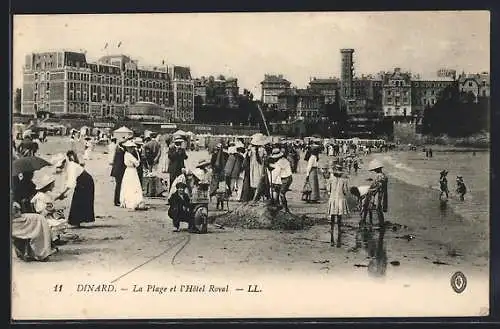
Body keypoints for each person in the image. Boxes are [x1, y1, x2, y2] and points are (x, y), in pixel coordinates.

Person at [52, 151, 95, 228]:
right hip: (81, 181)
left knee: (79, 200)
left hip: (86, 181)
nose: (60, 168)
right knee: (78, 199)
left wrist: (62, 194)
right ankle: (77, 220)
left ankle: (76, 221)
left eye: (60, 166)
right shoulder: (67, 167)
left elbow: (71, 183)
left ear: (64, 162)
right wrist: (64, 194)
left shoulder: (71, 167)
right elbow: (65, 182)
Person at [31, 175, 67, 243]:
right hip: (43, 217)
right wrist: (54, 209)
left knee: (60, 220)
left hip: (48, 215)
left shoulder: (46, 194)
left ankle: (55, 238)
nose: (53, 186)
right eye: (52, 185)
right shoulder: (41, 196)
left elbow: (53, 200)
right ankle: (54, 239)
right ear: (48, 186)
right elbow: (41, 209)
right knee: (57, 223)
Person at [119, 140, 146, 210]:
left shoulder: (126, 154)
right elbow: (137, 163)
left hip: (128, 171)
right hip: (131, 171)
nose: (131, 149)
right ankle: (131, 201)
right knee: (132, 185)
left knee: (129, 185)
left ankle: (127, 201)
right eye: (130, 148)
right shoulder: (129, 155)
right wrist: (137, 157)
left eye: (132, 148)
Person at [327, 164, 349, 247]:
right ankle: (339, 229)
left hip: (333, 198)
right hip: (340, 198)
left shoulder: (331, 179)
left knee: (332, 214)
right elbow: (345, 191)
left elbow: (328, 190)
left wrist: (330, 192)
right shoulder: (344, 180)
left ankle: (332, 229)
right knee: (339, 215)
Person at [269, 148, 293, 212]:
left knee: (282, 193)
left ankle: (285, 209)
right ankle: (281, 207)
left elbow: (277, 172)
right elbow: (276, 166)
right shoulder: (283, 160)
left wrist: (272, 182)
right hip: (287, 177)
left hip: (286, 178)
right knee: (279, 191)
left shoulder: (279, 162)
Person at [366, 159, 388, 227]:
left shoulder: (378, 176)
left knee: (378, 208)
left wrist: (371, 191)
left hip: (378, 193)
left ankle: (380, 223)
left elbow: (378, 186)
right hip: (383, 192)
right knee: (378, 208)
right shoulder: (384, 175)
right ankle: (380, 222)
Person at [110, 138, 127, 206]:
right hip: (119, 171)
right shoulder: (120, 151)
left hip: (117, 170)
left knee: (119, 185)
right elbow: (121, 163)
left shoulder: (118, 150)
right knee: (119, 185)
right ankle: (117, 200)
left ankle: (117, 200)